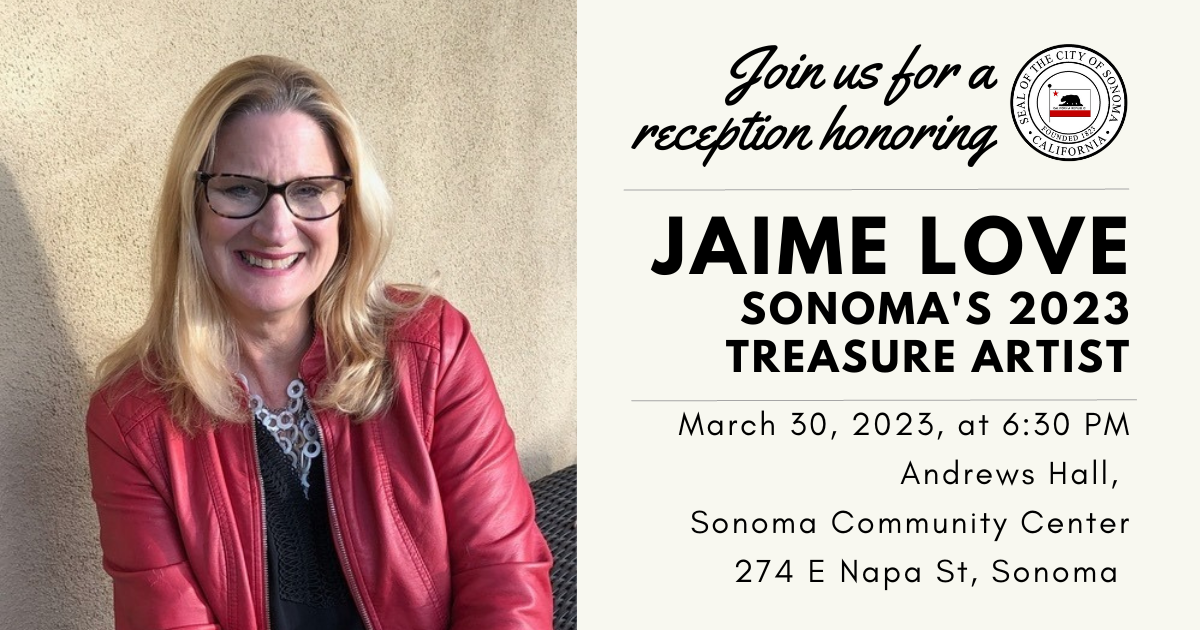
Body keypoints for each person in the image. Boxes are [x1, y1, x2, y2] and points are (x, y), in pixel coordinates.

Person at [86, 55, 552, 630]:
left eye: (309, 190)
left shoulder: (433, 349)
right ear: (193, 208)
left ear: (347, 209)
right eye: (239, 188)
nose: (277, 227)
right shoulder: (131, 417)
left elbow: (504, 577)